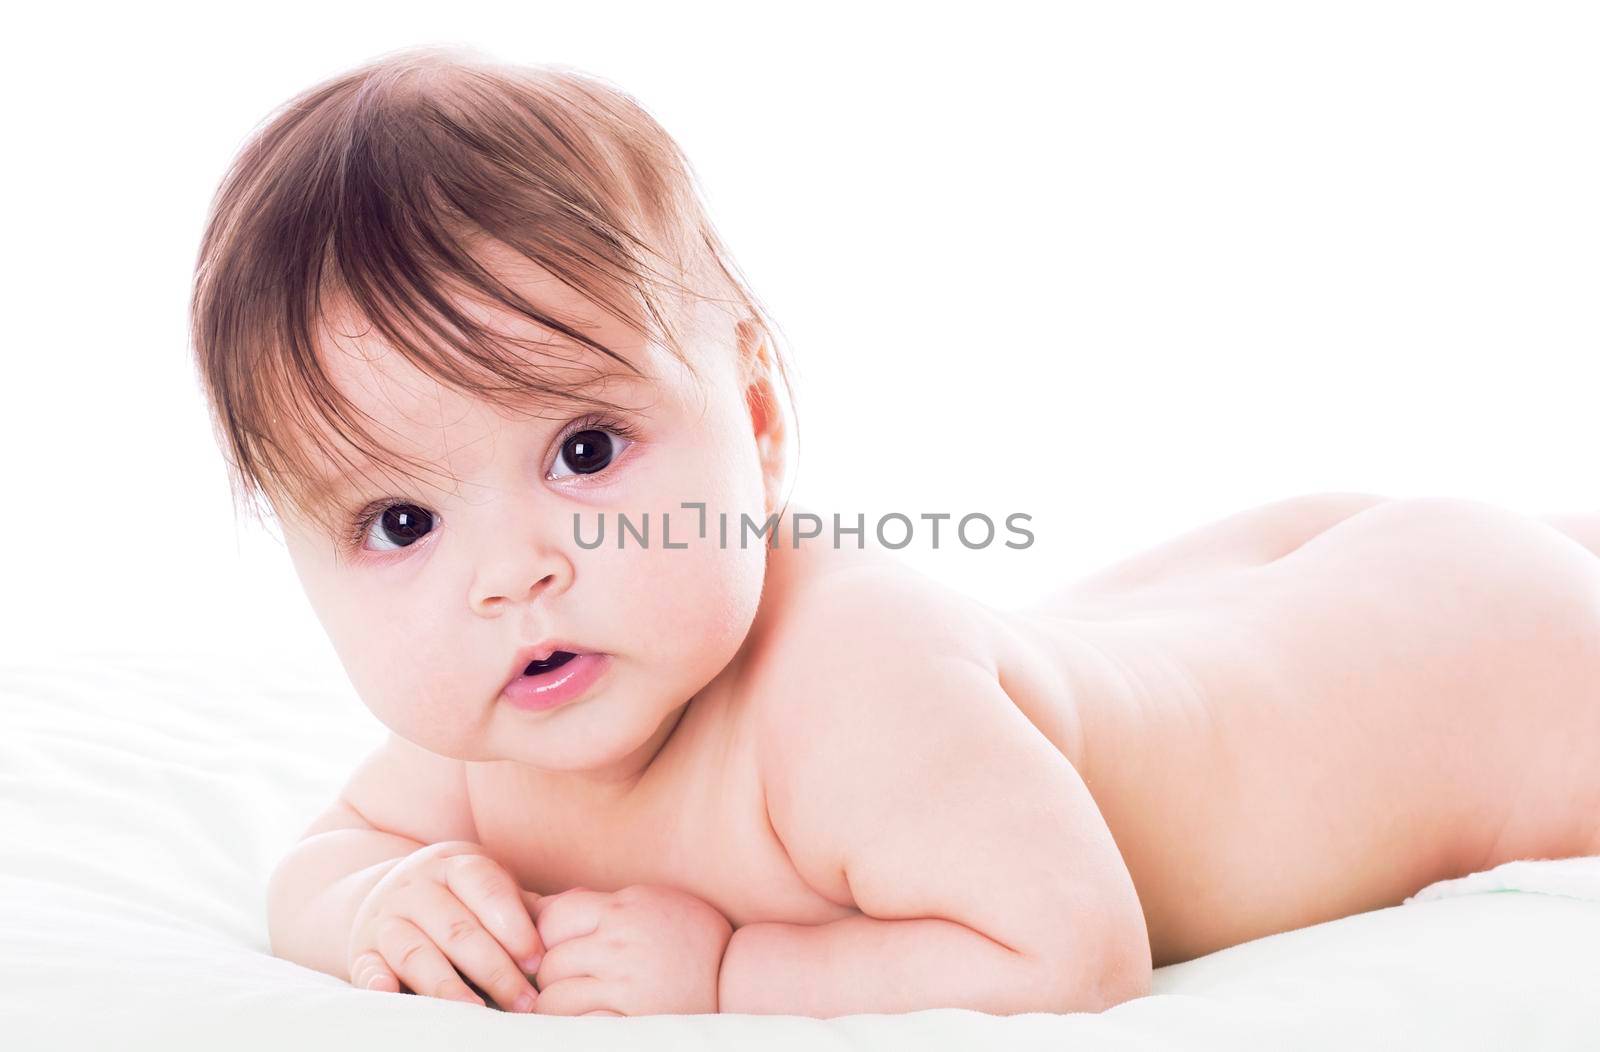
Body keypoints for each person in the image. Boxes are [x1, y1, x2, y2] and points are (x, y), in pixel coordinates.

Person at [190, 45, 1600, 1018]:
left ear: (755, 421)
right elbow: (319, 866)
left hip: (1466, 677)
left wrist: (734, 973)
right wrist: (381, 905)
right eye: (397, 520)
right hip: (1273, 583)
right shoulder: (480, 728)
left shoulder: (850, 685)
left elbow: (1070, 951)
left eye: (583, 451)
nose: (512, 573)